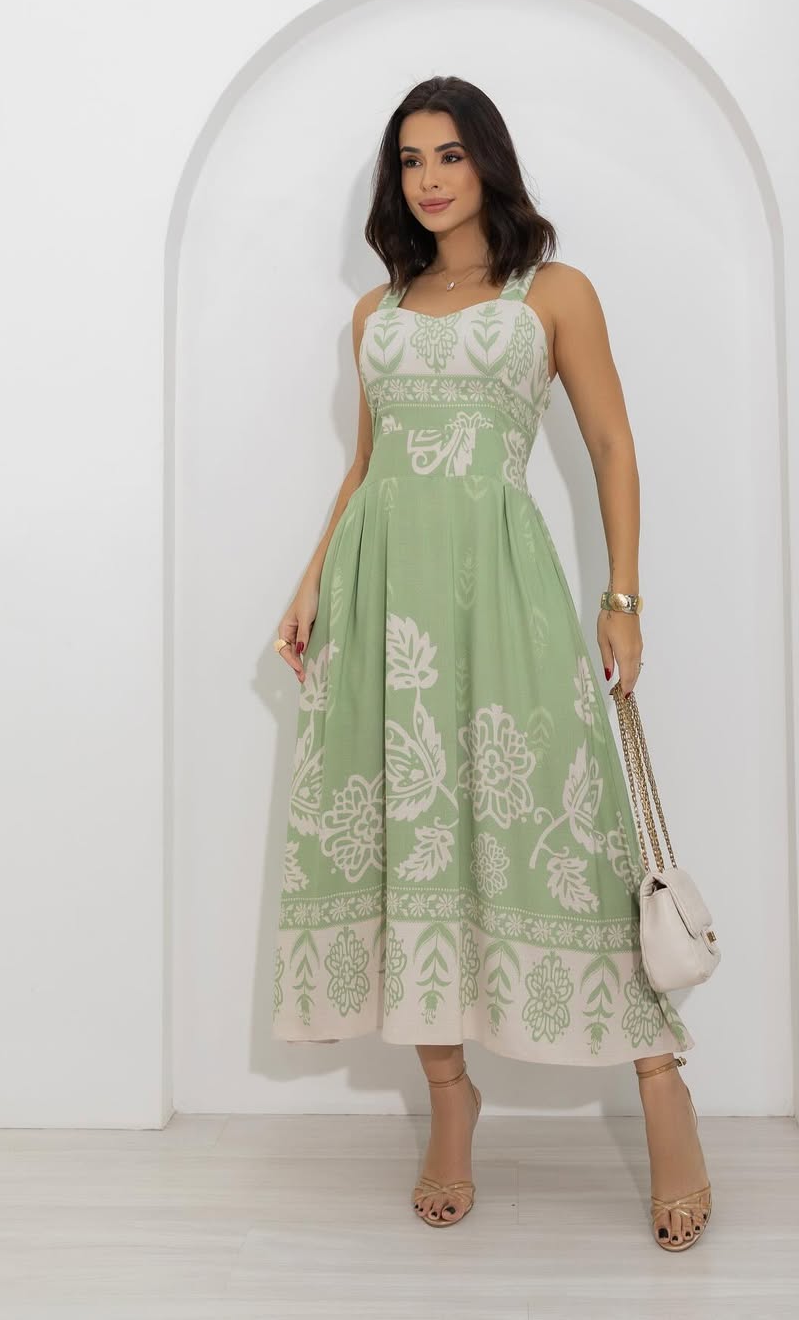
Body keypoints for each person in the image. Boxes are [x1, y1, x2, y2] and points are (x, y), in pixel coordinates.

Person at [270, 76, 711, 1251]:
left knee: (569, 837)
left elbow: (611, 444)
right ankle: (449, 1105)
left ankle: (663, 1091)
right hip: (385, 598)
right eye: (411, 160)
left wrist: (622, 597)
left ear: (489, 164)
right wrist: (312, 583)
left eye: (451, 155)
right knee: (413, 842)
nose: (430, 178)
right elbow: (366, 470)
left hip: (504, 595)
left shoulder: (552, 293)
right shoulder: (375, 315)